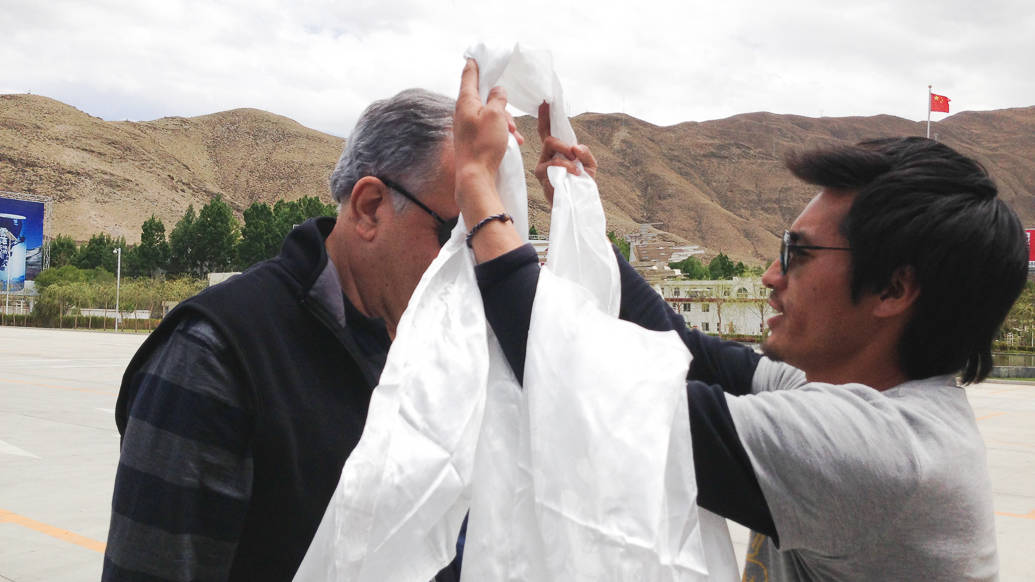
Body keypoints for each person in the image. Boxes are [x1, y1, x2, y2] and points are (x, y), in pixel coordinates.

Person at [453, 59, 1027, 580]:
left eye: (797, 255)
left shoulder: (884, 456)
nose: (771, 278)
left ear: (894, 289)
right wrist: (587, 229)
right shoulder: (840, 390)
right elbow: (683, 349)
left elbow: (590, 395)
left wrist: (479, 187)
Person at [102, 88, 511, 581]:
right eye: (457, 236)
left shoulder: (440, 354)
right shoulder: (216, 355)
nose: (473, 265)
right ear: (370, 207)